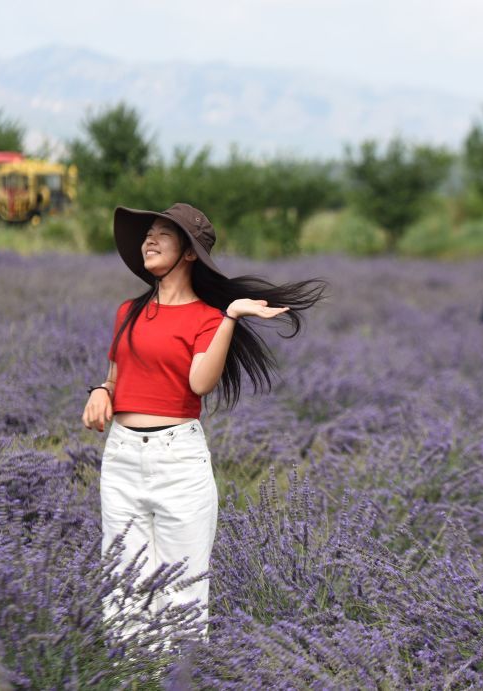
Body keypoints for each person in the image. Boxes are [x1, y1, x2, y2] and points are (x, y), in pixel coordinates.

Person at [81, 202, 324, 639]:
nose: (148, 240)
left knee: (182, 592)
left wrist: (230, 316)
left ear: (189, 252)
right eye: (147, 234)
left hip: (178, 460)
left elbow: (199, 383)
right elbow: (115, 379)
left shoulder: (207, 318)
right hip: (121, 458)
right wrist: (100, 392)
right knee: (122, 589)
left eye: (163, 234)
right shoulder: (128, 311)